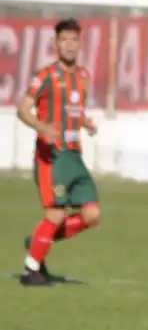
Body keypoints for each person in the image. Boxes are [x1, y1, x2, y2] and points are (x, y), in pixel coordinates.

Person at [17, 18, 100, 287]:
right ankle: (30, 271)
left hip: (75, 156)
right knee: (55, 214)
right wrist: (42, 126)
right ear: (55, 43)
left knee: (91, 215)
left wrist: (84, 121)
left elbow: (73, 109)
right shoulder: (46, 76)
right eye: (63, 39)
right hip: (51, 157)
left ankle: (40, 241)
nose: (69, 45)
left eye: (73, 39)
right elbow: (23, 109)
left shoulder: (84, 76)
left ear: (79, 43)